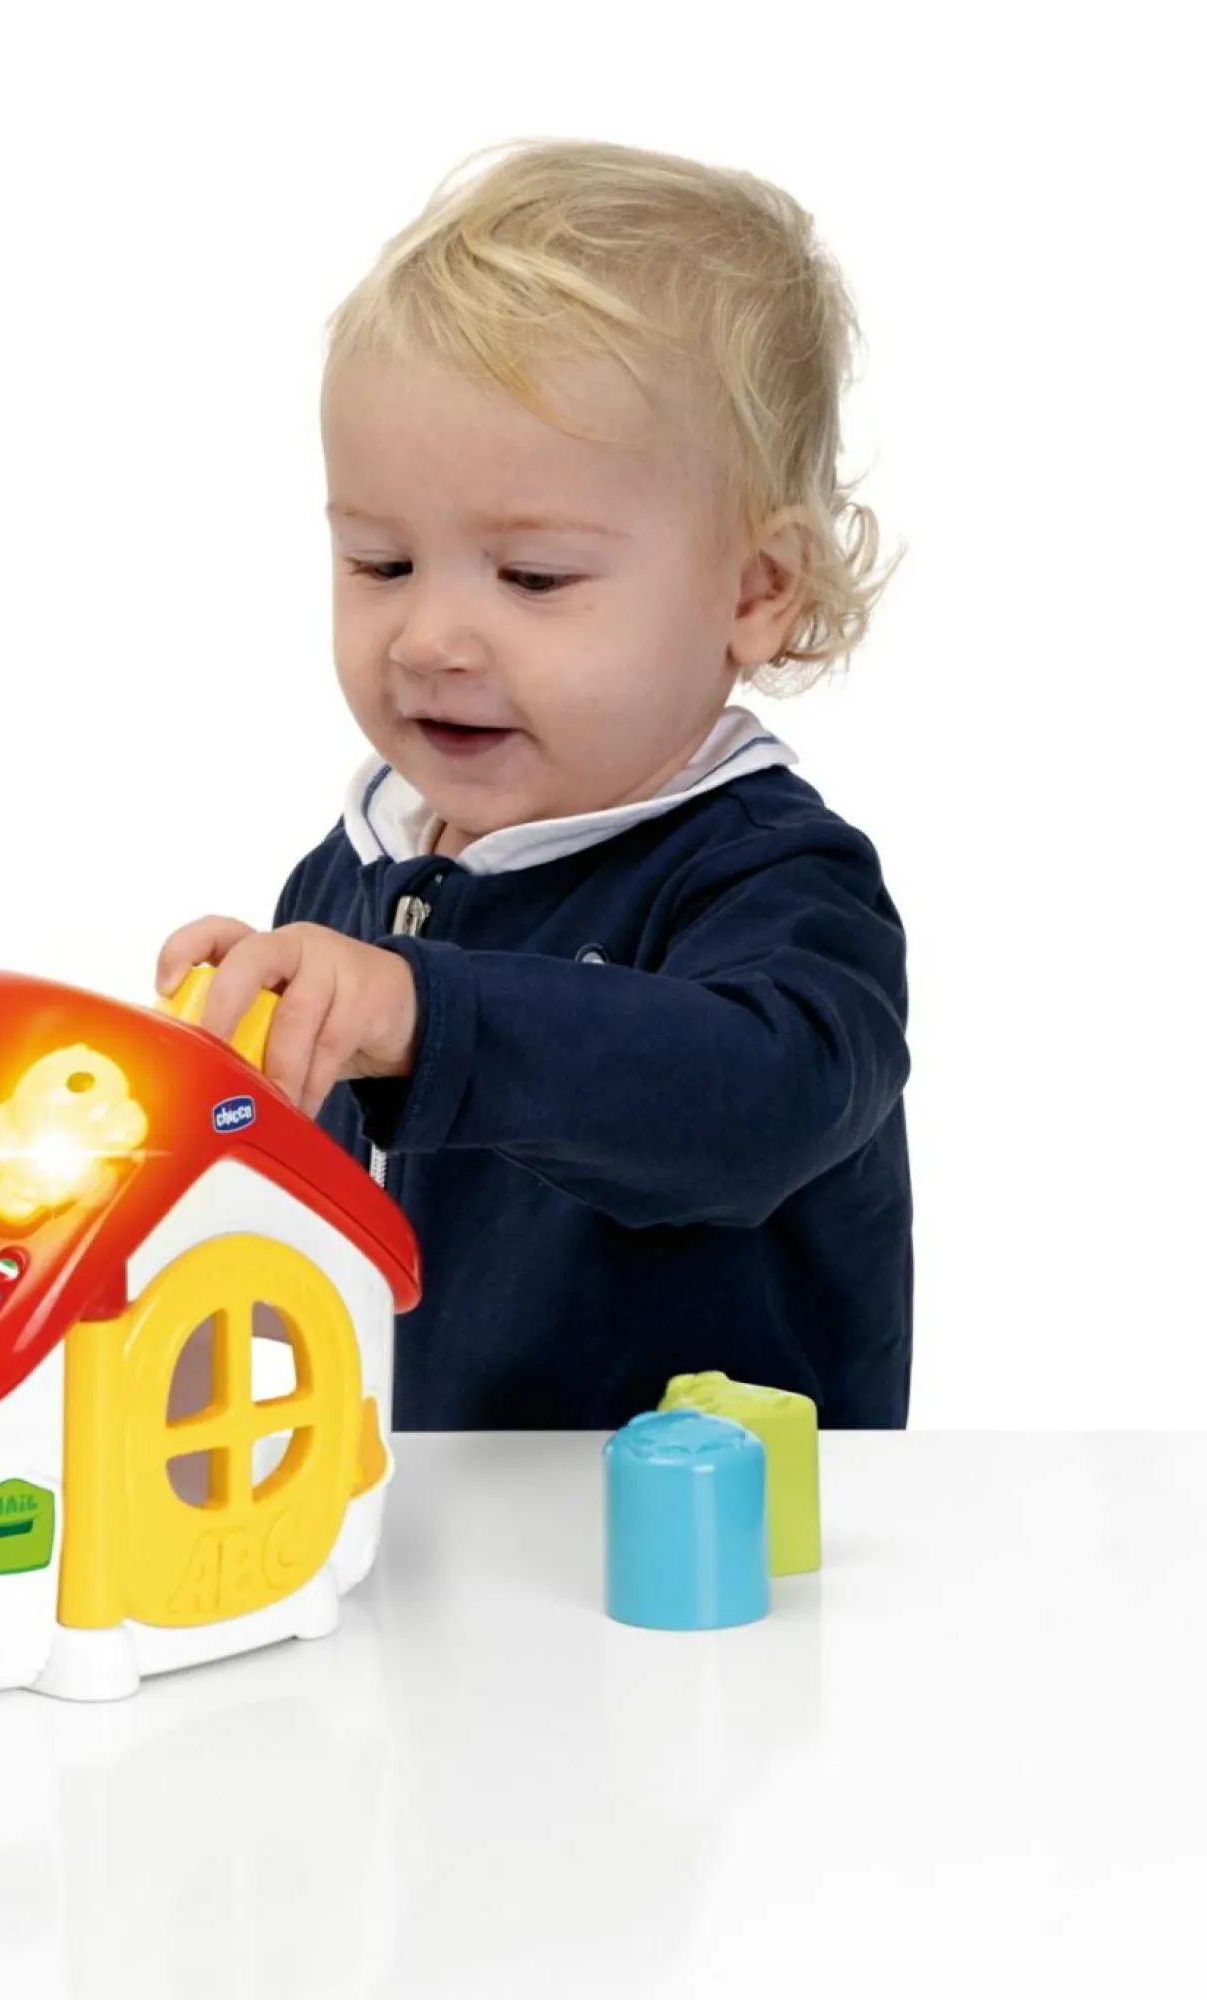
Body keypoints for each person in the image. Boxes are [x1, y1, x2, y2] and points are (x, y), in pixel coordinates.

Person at [154, 136, 913, 1430]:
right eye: (382, 564)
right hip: (425, 1504)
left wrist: (425, 1015)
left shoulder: (774, 878)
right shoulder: (354, 873)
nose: (428, 639)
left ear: (754, 590)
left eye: (534, 578)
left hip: (706, 1531)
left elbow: (762, 1102)